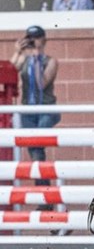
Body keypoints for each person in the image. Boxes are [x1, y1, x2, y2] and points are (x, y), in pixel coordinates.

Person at [10, 25, 60, 183]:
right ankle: (45, 192)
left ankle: (44, 192)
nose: (32, 41)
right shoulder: (24, 59)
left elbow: (41, 83)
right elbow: (9, 71)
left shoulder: (51, 61)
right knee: (34, 148)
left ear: (44, 40)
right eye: (30, 38)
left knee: (37, 144)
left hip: (46, 109)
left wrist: (37, 56)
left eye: (36, 38)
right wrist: (18, 52)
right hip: (28, 109)